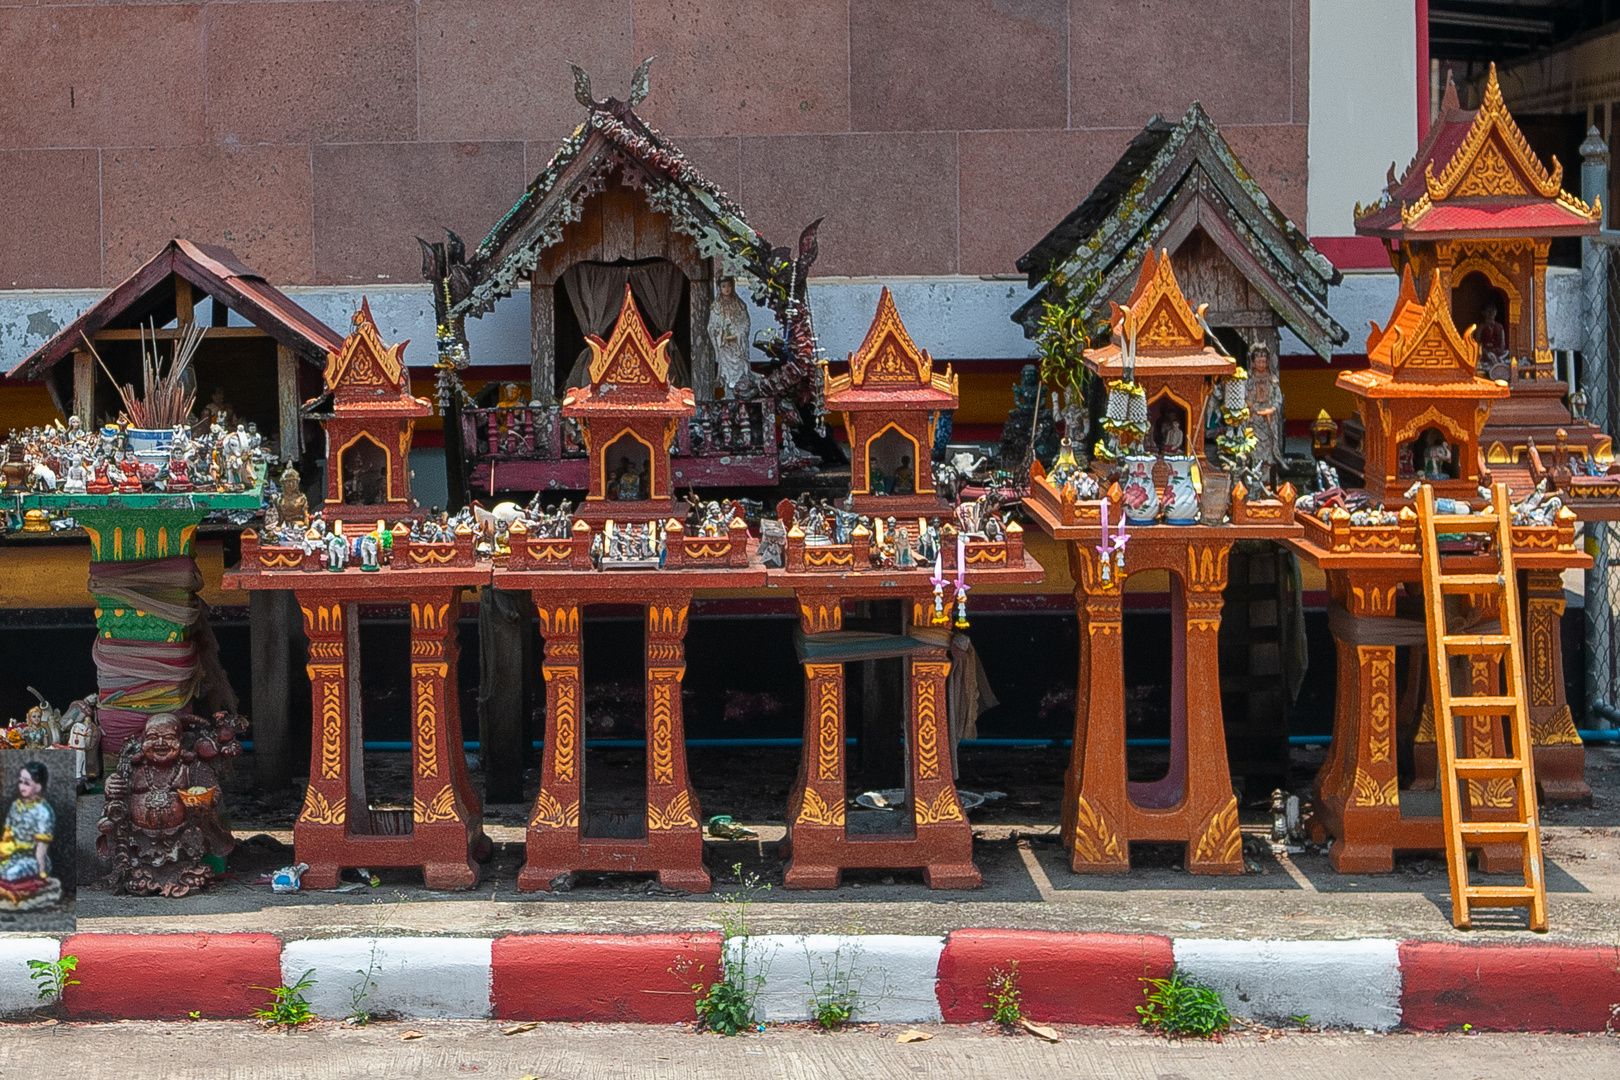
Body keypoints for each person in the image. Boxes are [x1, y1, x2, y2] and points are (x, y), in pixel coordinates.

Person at [0, 762, 53, 886]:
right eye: (20, 782)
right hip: (11, 853)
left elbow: (41, 847)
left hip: (32, 858)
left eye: (27, 783)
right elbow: (8, 833)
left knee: (9, 874)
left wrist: (42, 872)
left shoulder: (43, 811)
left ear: (39, 786)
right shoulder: (16, 806)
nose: (21, 787)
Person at [708, 277, 753, 398]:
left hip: (738, 345)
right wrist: (720, 331)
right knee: (727, 375)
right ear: (719, 288)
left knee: (740, 371)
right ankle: (728, 395)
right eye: (723, 286)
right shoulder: (716, 307)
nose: (726, 289)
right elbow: (711, 327)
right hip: (725, 346)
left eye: (729, 286)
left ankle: (742, 393)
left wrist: (739, 333)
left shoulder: (739, 304)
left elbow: (746, 323)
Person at [1475, 301, 1510, 377]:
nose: (1490, 313)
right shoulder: (1480, 327)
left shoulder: (1499, 327)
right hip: (1485, 355)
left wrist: (1500, 354)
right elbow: (1477, 343)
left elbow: (1502, 344)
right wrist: (1487, 353)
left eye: (1493, 311)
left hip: (1497, 354)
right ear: (1483, 312)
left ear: (1496, 312)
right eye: (1488, 311)